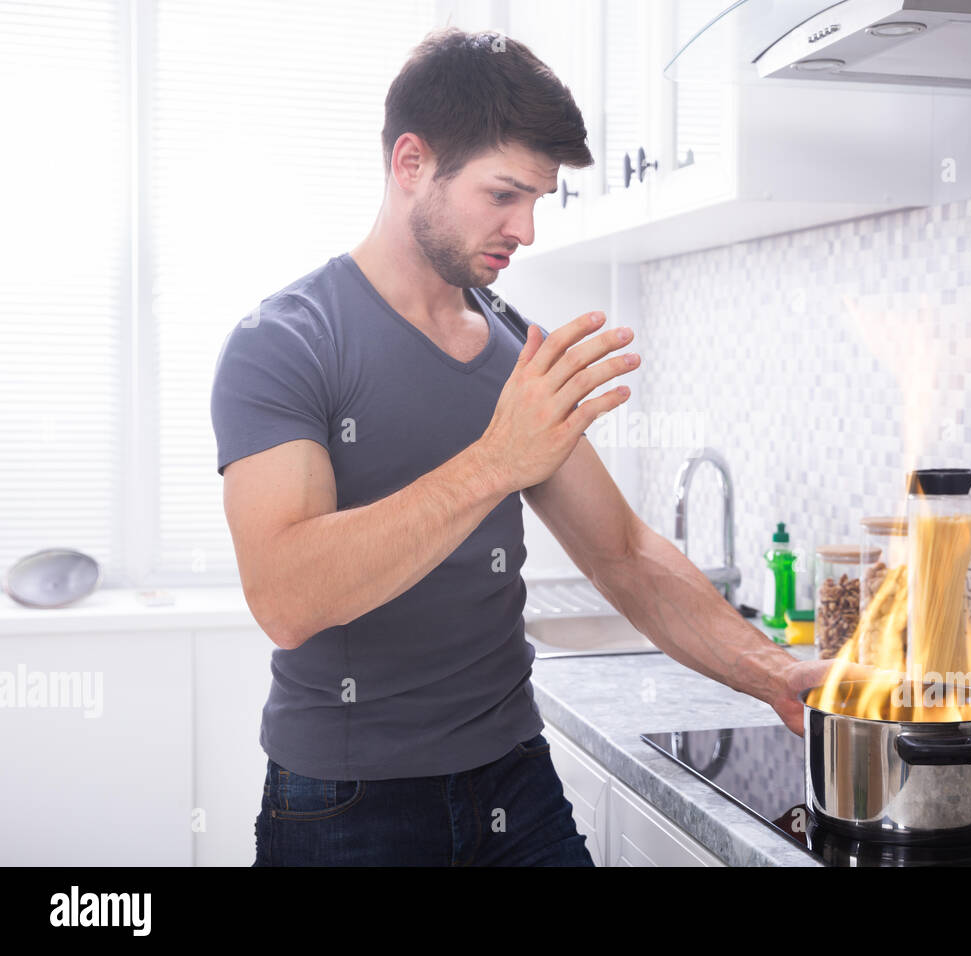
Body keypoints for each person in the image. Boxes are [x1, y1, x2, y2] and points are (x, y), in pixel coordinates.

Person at [210, 26, 838, 867]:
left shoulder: (515, 349)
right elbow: (286, 598)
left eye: (539, 199)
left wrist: (770, 670)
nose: (528, 229)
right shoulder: (288, 341)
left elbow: (621, 554)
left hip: (515, 784)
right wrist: (495, 461)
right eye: (504, 195)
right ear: (410, 164)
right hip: (348, 806)